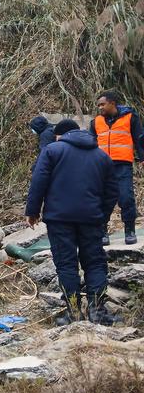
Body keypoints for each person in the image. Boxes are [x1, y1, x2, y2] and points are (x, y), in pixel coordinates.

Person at [25, 119, 119, 325]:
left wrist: (32, 211)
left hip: (59, 219)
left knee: (66, 264)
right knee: (95, 263)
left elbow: (39, 180)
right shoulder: (102, 155)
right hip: (91, 219)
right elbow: (112, 191)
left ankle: (74, 313)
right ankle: (98, 312)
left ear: (59, 135)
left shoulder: (52, 150)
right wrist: (101, 216)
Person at [88, 90, 144, 245]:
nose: (100, 107)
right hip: (101, 167)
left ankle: (130, 230)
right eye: (98, 105)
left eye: (102, 104)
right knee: (101, 199)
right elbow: (90, 143)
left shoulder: (130, 117)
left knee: (126, 198)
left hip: (122, 165)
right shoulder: (96, 122)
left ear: (112, 103)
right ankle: (102, 232)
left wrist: (142, 157)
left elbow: (140, 139)